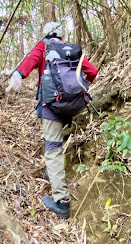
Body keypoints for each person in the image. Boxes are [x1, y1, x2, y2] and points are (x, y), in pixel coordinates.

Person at [6, 22, 98, 219]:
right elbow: (93, 72)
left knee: (53, 148)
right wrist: (79, 89)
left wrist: (18, 75)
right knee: (58, 142)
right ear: (61, 34)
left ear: (46, 34)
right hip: (74, 106)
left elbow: (30, 63)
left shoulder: (43, 46)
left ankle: (62, 202)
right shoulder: (72, 50)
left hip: (51, 108)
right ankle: (53, 173)